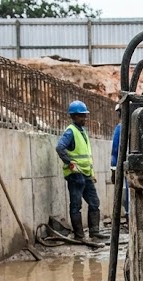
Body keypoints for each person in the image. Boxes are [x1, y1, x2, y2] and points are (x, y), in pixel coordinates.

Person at [55, 100, 106, 241]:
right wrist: (70, 163)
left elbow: (86, 156)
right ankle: (79, 236)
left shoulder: (82, 132)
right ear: (74, 116)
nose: (84, 118)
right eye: (81, 116)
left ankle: (94, 232)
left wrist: (92, 173)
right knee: (76, 204)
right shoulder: (70, 131)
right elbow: (60, 148)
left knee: (94, 202)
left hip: (86, 173)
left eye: (85, 115)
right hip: (75, 174)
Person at [110, 104, 129, 222]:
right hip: (131, 167)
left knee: (128, 194)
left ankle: (129, 217)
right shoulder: (141, 126)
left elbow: (115, 151)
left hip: (127, 166)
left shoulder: (120, 128)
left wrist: (113, 171)